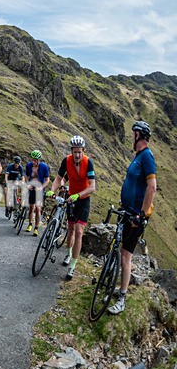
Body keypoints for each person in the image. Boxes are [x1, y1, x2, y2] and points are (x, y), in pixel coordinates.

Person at [108, 121, 157, 314]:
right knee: (120, 252)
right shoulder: (138, 156)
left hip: (135, 216)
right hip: (127, 211)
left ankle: (122, 298)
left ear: (139, 135)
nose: (132, 136)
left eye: (134, 133)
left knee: (126, 256)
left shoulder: (147, 157)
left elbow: (152, 188)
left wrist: (142, 214)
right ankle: (115, 287)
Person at [47, 135, 96, 280]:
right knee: (70, 228)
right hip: (70, 198)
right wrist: (52, 189)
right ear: (72, 150)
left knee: (79, 232)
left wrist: (79, 195)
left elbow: (92, 187)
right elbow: (58, 178)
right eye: (75, 151)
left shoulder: (89, 163)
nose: (77, 154)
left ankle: (73, 266)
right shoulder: (66, 161)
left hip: (83, 199)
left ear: (83, 151)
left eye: (80, 152)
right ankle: (68, 254)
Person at [24, 150, 51, 236]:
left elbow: (47, 180)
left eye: (35, 160)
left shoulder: (44, 167)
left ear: (39, 160)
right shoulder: (29, 165)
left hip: (39, 189)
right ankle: (30, 224)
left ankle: (36, 228)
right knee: (31, 208)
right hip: (32, 188)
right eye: (32, 159)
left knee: (38, 209)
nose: (33, 162)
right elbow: (26, 176)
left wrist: (41, 187)